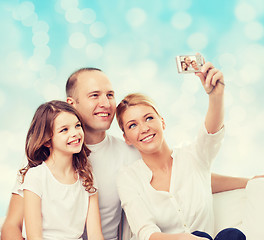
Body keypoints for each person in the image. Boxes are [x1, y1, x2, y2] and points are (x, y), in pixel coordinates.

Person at [1, 67, 252, 240]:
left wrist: (249, 182)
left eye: (110, 94)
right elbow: (12, 226)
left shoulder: (130, 152)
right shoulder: (44, 160)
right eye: (94, 95)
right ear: (71, 103)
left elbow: (186, 176)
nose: (106, 102)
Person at [115, 62, 246, 240]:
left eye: (149, 118)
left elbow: (211, 134)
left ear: (162, 122)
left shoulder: (193, 157)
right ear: (127, 138)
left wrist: (216, 96)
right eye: (132, 125)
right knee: (201, 235)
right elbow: (146, 232)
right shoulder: (128, 178)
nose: (144, 128)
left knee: (231, 236)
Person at [18, 100, 104, 240]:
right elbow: (35, 237)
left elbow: (95, 234)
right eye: (64, 130)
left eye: (77, 126)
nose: (75, 133)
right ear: (46, 141)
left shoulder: (87, 177)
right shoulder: (36, 177)